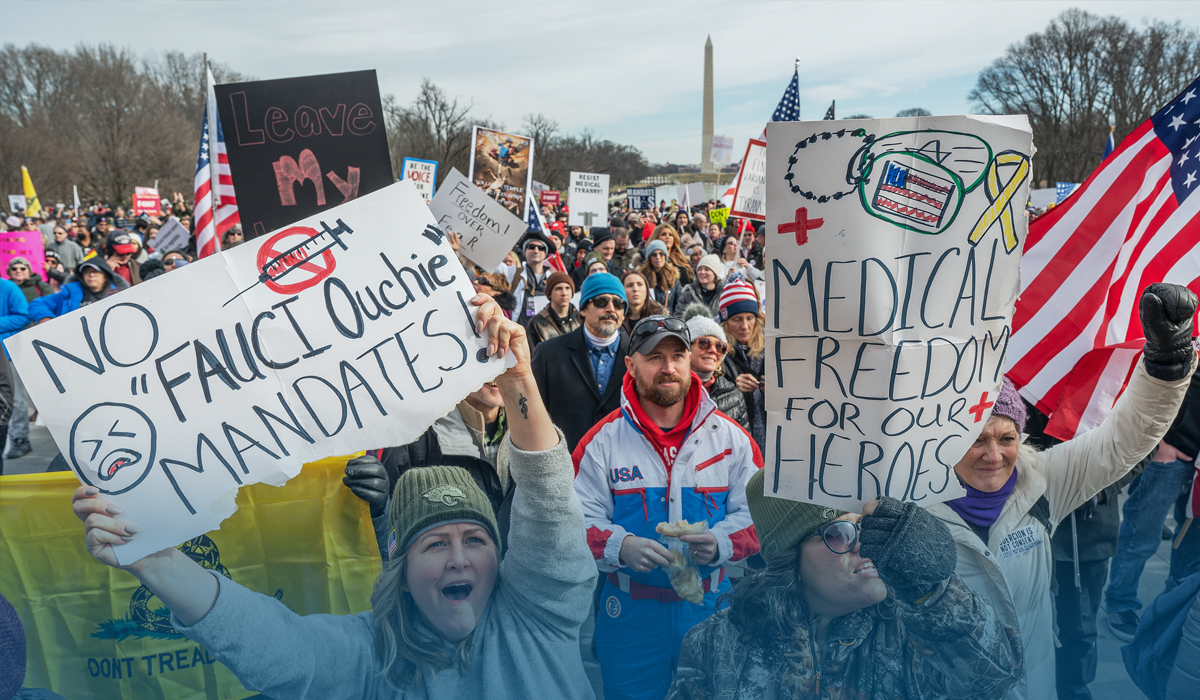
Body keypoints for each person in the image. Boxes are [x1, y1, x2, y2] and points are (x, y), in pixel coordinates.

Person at [72, 295, 599, 699]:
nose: (459, 557)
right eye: (435, 544)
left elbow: (550, 507)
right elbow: (278, 649)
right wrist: (158, 562)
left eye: (475, 539)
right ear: (401, 566)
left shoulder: (541, 613)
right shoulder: (376, 652)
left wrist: (519, 379)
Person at [923, 283, 1197, 700]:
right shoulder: (906, 505)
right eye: (976, 440)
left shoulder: (1041, 479)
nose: (994, 455)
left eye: (1006, 438)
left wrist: (1165, 367)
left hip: (1035, 685)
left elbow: (1124, 439)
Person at [666, 479, 1024, 699]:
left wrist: (933, 591)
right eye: (839, 533)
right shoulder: (713, 642)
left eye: (868, 528)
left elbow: (994, 681)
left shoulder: (912, 632)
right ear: (788, 558)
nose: (865, 546)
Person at [573, 314, 761, 700]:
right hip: (629, 614)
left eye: (677, 355)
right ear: (631, 364)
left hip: (711, 607)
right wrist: (619, 546)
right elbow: (574, 522)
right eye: (654, 357)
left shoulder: (732, 438)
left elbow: (761, 517)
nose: (668, 367)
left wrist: (721, 542)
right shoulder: (600, 441)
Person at [345, 379, 517, 558]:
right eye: (484, 351)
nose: (498, 365)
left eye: (509, 351)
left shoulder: (538, 432)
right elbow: (392, 544)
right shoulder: (411, 435)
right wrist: (380, 509)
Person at [1105, 361, 1200, 640]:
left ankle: (1174, 607)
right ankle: (1120, 603)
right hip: (1170, 455)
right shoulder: (1187, 324)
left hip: (1196, 463)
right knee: (1141, 535)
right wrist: (1160, 442)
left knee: (1191, 539)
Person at [530, 273, 629, 452]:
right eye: (601, 301)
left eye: (618, 303)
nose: (610, 308)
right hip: (569, 463)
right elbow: (534, 414)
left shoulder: (639, 354)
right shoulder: (548, 353)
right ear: (583, 309)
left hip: (626, 463)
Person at [719, 278, 766, 451]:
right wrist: (732, 388)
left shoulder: (773, 349)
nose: (745, 326)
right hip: (735, 443)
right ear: (725, 322)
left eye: (749, 318)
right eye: (737, 319)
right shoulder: (716, 353)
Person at [682, 304, 746, 429]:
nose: (712, 350)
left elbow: (743, 443)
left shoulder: (734, 394)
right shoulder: (672, 389)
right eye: (704, 343)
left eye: (719, 346)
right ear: (687, 347)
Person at [28, 257, 121, 323]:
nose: (91, 275)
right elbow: (37, 303)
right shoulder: (69, 293)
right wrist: (44, 317)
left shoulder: (119, 295)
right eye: (87, 271)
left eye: (96, 271)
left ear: (105, 276)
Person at [0, 278, 29, 460]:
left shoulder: (8, 287)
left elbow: (23, 316)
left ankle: (20, 438)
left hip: (6, 354)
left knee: (14, 400)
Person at [511, 229, 556, 327]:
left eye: (541, 248)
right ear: (524, 251)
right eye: (531, 247)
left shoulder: (553, 277)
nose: (536, 251)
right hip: (519, 330)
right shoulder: (513, 273)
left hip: (546, 330)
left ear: (545, 253)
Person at [527, 271, 581, 350]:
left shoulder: (581, 319)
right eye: (558, 288)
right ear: (549, 293)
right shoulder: (537, 323)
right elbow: (533, 356)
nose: (564, 293)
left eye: (567, 288)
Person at [637, 240, 681, 309]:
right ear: (649, 258)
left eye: (661, 254)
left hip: (669, 318)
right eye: (654, 254)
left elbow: (679, 305)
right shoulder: (642, 277)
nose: (658, 257)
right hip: (648, 318)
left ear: (665, 256)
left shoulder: (673, 277)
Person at [620, 271, 664, 336]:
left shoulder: (660, 319)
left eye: (639, 284)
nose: (635, 289)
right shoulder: (616, 320)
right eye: (630, 285)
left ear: (646, 290)